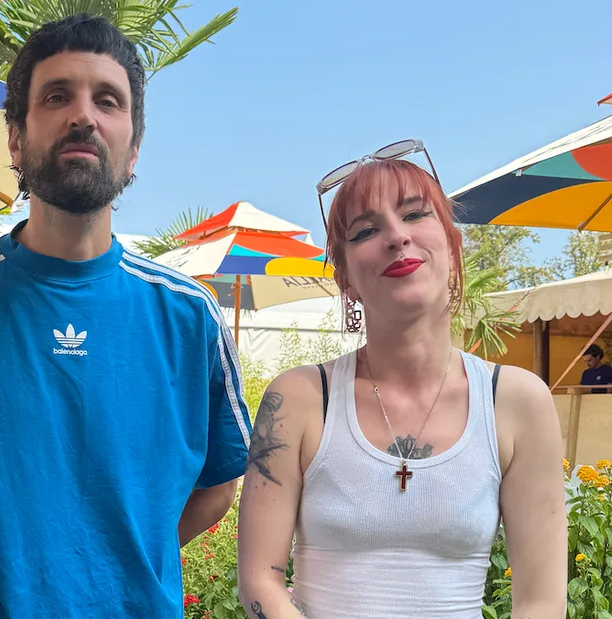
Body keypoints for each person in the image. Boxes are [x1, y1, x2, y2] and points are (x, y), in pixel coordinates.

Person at [0, 13, 250, 619]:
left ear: (133, 147)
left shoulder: (191, 316)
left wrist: (120, 566)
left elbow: (221, 483)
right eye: (56, 96)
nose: (82, 115)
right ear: (15, 136)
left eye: (107, 100)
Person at [236, 149, 568, 618]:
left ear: (452, 246)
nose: (397, 236)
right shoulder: (298, 400)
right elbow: (259, 580)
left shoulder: (516, 402)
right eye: (366, 231)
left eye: (415, 214)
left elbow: (541, 601)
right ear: (345, 277)